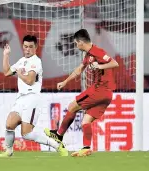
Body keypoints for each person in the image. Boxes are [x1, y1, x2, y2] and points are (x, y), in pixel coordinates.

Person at [44, 29, 119, 157]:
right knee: (86, 121)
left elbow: (114, 63)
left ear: (80, 42)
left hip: (100, 90)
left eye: (76, 43)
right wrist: (65, 81)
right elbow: (79, 70)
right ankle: (86, 148)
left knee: (72, 106)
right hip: (106, 95)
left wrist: (99, 66)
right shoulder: (89, 55)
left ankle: (59, 135)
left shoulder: (98, 52)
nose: (76, 45)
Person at [0, 35, 64, 157]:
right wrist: (6, 55)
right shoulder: (21, 61)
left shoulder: (36, 61)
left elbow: (30, 81)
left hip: (32, 98)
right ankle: (8, 151)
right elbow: (6, 72)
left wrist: (20, 74)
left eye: (31, 47)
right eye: (25, 46)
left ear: (36, 47)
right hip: (21, 98)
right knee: (9, 125)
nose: (27, 49)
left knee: (26, 134)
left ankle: (56, 145)